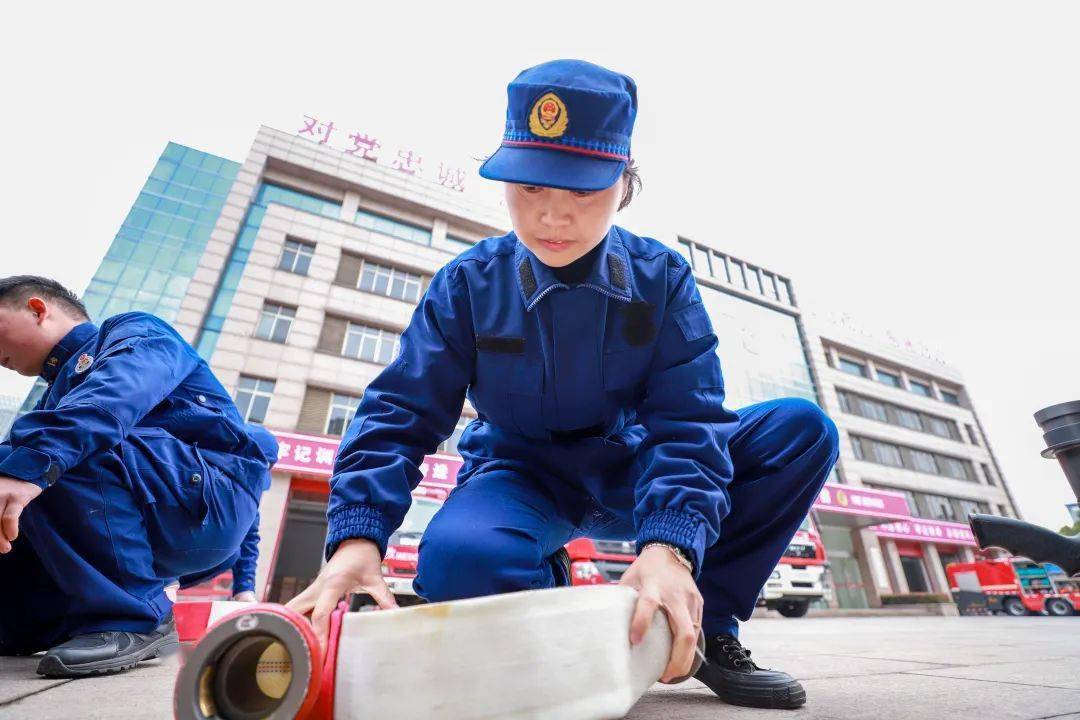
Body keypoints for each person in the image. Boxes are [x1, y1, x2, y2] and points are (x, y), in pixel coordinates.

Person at [288, 60, 839, 710]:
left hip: (636, 466)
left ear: (624, 181)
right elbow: (398, 412)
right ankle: (537, 595)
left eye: (581, 190)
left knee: (801, 433)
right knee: (460, 561)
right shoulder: (468, 287)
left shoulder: (662, 280)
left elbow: (689, 423)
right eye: (528, 187)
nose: (552, 215)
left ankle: (702, 625)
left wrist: (670, 546)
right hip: (523, 473)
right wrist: (357, 536)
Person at [0, 276, 275, 677]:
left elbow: (115, 396)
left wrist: (27, 465)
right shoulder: (53, 399)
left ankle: (132, 615)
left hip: (204, 510)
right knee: (17, 467)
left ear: (38, 310)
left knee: (53, 450)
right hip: (150, 515)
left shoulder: (133, 331)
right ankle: (27, 623)